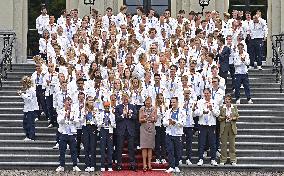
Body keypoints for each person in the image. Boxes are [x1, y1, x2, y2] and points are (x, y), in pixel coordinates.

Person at [194, 88, 220, 166]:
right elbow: (196, 113)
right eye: (205, 93)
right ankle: (200, 159)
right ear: (203, 94)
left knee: (212, 143)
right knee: (201, 143)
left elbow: (217, 114)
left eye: (207, 93)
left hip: (211, 125)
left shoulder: (214, 102)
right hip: (202, 125)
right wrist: (202, 111)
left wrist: (212, 109)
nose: (206, 95)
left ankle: (213, 159)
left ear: (210, 94)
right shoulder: (200, 102)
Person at [56, 96, 81, 172]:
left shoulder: (74, 112)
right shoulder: (60, 111)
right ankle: (62, 165)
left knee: (73, 150)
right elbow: (59, 121)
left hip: (71, 133)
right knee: (62, 150)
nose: (68, 104)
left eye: (70, 103)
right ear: (64, 103)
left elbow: (78, 122)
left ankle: (75, 165)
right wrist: (65, 116)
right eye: (67, 102)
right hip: (63, 133)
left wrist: (73, 119)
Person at [115, 93, 138, 171]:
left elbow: (136, 117)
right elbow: (116, 118)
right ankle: (119, 164)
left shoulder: (133, 106)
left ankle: (132, 164)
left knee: (131, 148)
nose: (125, 100)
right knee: (119, 147)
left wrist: (130, 115)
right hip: (121, 130)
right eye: (124, 98)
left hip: (130, 130)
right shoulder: (118, 107)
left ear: (129, 99)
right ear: (122, 99)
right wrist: (122, 115)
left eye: (127, 98)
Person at [163, 97, 186, 173]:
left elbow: (183, 123)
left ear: (177, 102)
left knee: (177, 151)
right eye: (171, 102)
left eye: (174, 102)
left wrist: (175, 122)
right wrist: (168, 123)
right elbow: (164, 122)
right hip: (169, 133)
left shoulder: (182, 111)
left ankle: (176, 165)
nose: (172, 104)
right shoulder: (168, 111)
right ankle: (171, 166)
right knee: (170, 150)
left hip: (178, 134)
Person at [219, 94, 239, 166]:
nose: (227, 101)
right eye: (226, 99)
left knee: (232, 144)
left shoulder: (234, 107)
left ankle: (233, 160)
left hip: (231, 126)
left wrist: (232, 118)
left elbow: (237, 116)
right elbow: (219, 117)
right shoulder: (222, 108)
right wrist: (224, 117)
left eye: (228, 99)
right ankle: (223, 159)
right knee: (223, 144)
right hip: (224, 126)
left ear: (231, 100)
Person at [139, 96, 157, 171]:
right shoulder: (142, 109)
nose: (148, 103)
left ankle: (149, 164)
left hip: (151, 128)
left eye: (149, 101)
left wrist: (152, 119)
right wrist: (145, 119)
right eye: (147, 101)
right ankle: (144, 164)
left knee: (150, 147)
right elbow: (140, 120)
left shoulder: (154, 109)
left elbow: (155, 119)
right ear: (145, 102)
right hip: (143, 127)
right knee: (144, 147)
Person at [18, 76, 38, 141]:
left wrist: (22, 94)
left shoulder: (31, 90)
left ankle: (31, 137)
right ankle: (28, 135)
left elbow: (29, 98)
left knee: (30, 123)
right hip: (27, 109)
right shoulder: (28, 90)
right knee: (25, 123)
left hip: (31, 109)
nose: (23, 85)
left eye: (23, 83)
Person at [82, 96, 99, 172]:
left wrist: (95, 116)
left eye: (92, 100)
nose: (91, 101)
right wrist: (84, 115)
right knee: (86, 146)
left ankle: (93, 165)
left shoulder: (96, 109)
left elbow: (98, 122)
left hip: (93, 128)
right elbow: (80, 120)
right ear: (86, 101)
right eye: (89, 100)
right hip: (85, 128)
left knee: (93, 146)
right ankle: (87, 165)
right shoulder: (83, 109)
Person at [98, 101, 116, 172]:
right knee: (102, 149)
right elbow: (98, 125)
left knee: (110, 149)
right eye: (105, 106)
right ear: (103, 107)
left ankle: (109, 166)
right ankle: (102, 166)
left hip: (110, 131)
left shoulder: (112, 115)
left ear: (109, 107)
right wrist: (102, 122)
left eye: (108, 107)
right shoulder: (100, 114)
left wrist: (110, 122)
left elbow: (115, 125)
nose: (106, 108)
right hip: (103, 130)